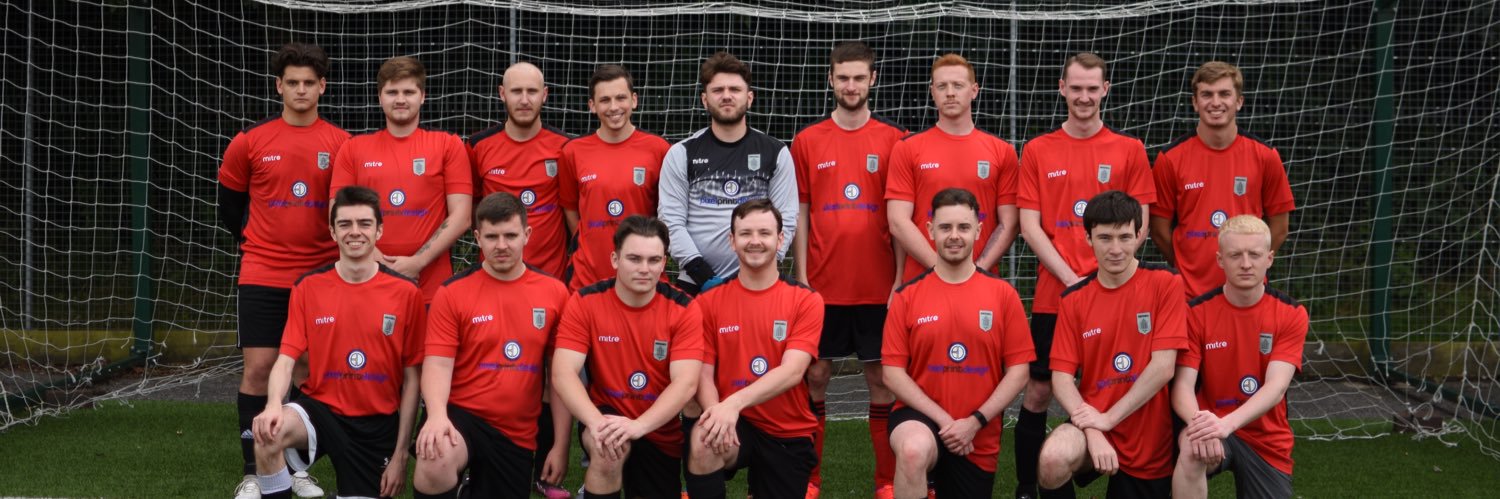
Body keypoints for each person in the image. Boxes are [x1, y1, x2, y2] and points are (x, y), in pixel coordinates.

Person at [1012, 52, 1155, 499]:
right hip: (1056, 295)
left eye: (1093, 88)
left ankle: (1138, 474)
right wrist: (1074, 278)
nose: (1084, 96)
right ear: (1062, 88)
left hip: (1116, 296)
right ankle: (1026, 488)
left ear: (1106, 90)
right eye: (1076, 88)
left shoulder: (1129, 149)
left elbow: (1142, 222)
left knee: (1121, 383)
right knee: (1037, 392)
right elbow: (1029, 226)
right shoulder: (1038, 149)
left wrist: (1101, 279)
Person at [219, 42, 346, 499]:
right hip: (262, 272)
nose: (301, 90)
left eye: (309, 83)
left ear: (322, 88)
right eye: (292, 82)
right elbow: (230, 209)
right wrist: (258, 244)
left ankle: (296, 467)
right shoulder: (249, 142)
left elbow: (344, 213)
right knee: (259, 370)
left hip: (318, 275)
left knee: (311, 370)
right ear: (279, 86)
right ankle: (255, 469)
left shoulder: (340, 143)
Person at [250, 186, 425, 499]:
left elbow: (413, 379)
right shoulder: (308, 287)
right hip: (321, 411)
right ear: (332, 231)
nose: (354, 232)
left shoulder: (406, 293)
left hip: (376, 425)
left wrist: (400, 455)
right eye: (345, 224)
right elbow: (286, 360)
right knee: (267, 433)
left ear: (379, 230)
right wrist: (273, 404)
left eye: (364, 224)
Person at [790, 40, 907, 498]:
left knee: (881, 380)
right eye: (843, 77)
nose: (851, 85)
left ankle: (887, 482)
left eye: (859, 77)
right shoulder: (807, 140)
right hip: (822, 287)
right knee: (815, 376)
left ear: (872, 79)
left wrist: (899, 280)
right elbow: (800, 211)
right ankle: (810, 480)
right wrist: (800, 274)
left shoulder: (894, 140)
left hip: (879, 288)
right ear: (831, 80)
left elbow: (900, 218)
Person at [411, 192, 572, 499]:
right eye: (492, 236)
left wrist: (561, 445)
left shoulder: (555, 293)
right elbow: (438, 363)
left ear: (527, 234)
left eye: (510, 235)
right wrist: (435, 416)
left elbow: (559, 377)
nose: (501, 245)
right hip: (462, 417)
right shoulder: (453, 292)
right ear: (477, 238)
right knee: (435, 456)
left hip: (516, 431)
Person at [882, 188, 1034, 499]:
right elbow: (892, 374)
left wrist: (974, 422)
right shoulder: (907, 296)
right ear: (929, 230)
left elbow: (1019, 371)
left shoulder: (1003, 295)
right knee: (912, 451)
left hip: (978, 431)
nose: (954, 236)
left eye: (963, 227)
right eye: (945, 227)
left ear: (979, 230)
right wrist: (946, 421)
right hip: (920, 417)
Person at [1037, 190, 1186, 499]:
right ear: (1088, 238)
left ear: (1139, 234)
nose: (1115, 249)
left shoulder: (1166, 284)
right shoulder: (1073, 299)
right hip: (1093, 418)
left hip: (1148, 434)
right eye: (1105, 238)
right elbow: (1062, 378)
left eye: (1124, 237)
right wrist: (1094, 429)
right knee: (1052, 460)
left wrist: (1109, 419)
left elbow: (1163, 367)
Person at [552, 216, 705, 499]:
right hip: (604, 414)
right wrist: (596, 423)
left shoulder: (684, 308)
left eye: (653, 260)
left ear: (663, 263)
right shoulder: (586, 301)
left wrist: (639, 426)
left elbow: (685, 384)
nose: (644, 269)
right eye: (634, 258)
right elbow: (563, 373)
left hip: (657, 427)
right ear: (615, 259)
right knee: (607, 450)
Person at [685, 199, 824, 499]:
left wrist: (732, 404)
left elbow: (792, 371)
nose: (755, 241)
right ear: (732, 241)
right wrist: (716, 414)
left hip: (787, 429)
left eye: (765, 232)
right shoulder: (708, 302)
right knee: (702, 441)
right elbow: (702, 375)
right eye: (746, 234)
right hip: (733, 423)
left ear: (780, 238)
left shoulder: (806, 300)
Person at [1171, 215, 1307, 499]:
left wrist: (1226, 425)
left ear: (1269, 258)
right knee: (1191, 449)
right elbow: (1182, 386)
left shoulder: (1291, 313)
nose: (1246, 264)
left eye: (1254, 255)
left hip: (1266, 439)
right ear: (1220, 260)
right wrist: (1201, 425)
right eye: (1235, 255)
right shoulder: (1196, 313)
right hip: (1209, 424)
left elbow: (1276, 387)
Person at [330, 56, 472, 304]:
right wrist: (376, 258)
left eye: (408, 91)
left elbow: (462, 217)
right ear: (379, 97)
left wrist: (417, 262)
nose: (400, 99)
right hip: (367, 281)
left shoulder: (448, 145)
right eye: (392, 91)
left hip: (431, 289)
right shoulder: (353, 149)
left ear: (423, 96)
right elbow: (337, 211)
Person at [1150, 61, 1295, 298]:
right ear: (1195, 103)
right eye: (1206, 94)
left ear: (1239, 101)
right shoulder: (1170, 159)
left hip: (1247, 294)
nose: (1215, 102)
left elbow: (1279, 228)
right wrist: (1187, 265)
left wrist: (1253, 263)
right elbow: (1158, 230)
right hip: (1189, 295)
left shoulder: (1265, 156)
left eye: (1224, 94)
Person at [659, 51, 798, 295]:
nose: (726, 96)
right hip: (696, 283)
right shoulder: (681, 153)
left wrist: (759, 268)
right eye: (717, 90)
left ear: (750, 97)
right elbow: (670, 220)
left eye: (734, 89)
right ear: (704, 99)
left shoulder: (775, 152)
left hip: (757, 282)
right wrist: (701, 273)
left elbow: (786, 218)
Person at [886, 53, 1019, 282]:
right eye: (942, 86)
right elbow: (898, 221)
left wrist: (976, 271)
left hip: (982, 281)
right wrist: (941, 269)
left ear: (974, 90)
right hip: (922, 281)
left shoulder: (1002, 151)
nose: (949, 93)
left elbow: (1010, 223)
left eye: (958, 85)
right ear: (932, 91)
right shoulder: (907, 148)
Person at [561, 64, 671, 290]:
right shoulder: (572, 152)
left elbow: (667, 213)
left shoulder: (659, 150)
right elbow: (571, 210)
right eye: (604, 100)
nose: (614, 107)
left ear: (634, 100)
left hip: (643, 277)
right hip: (587, 278)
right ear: (592, 105)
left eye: (621, 98)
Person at [470, 61, 573, 278]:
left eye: (532, 91)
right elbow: (471, 207)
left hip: (551, 278)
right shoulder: (478, 146)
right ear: (502, 93)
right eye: (516, 91)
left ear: (544, 94)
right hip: (494, 276)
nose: (524, 100)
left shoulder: (565, 147)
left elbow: (573, 209)